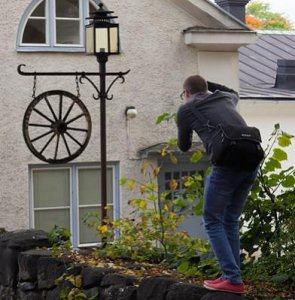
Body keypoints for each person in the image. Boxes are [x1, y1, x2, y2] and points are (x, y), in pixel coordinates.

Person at [177, 75, 259, 294]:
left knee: (212, 220)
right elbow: (232, 90)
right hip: (252, 161)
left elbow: (184, 146)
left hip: (227, 164)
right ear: (206, 89)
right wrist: (207, 86)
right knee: (230, 219)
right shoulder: (225, 97)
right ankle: (232, 277)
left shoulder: (186, 109)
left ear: (186, 93)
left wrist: (187, 112)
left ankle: (232, 278)